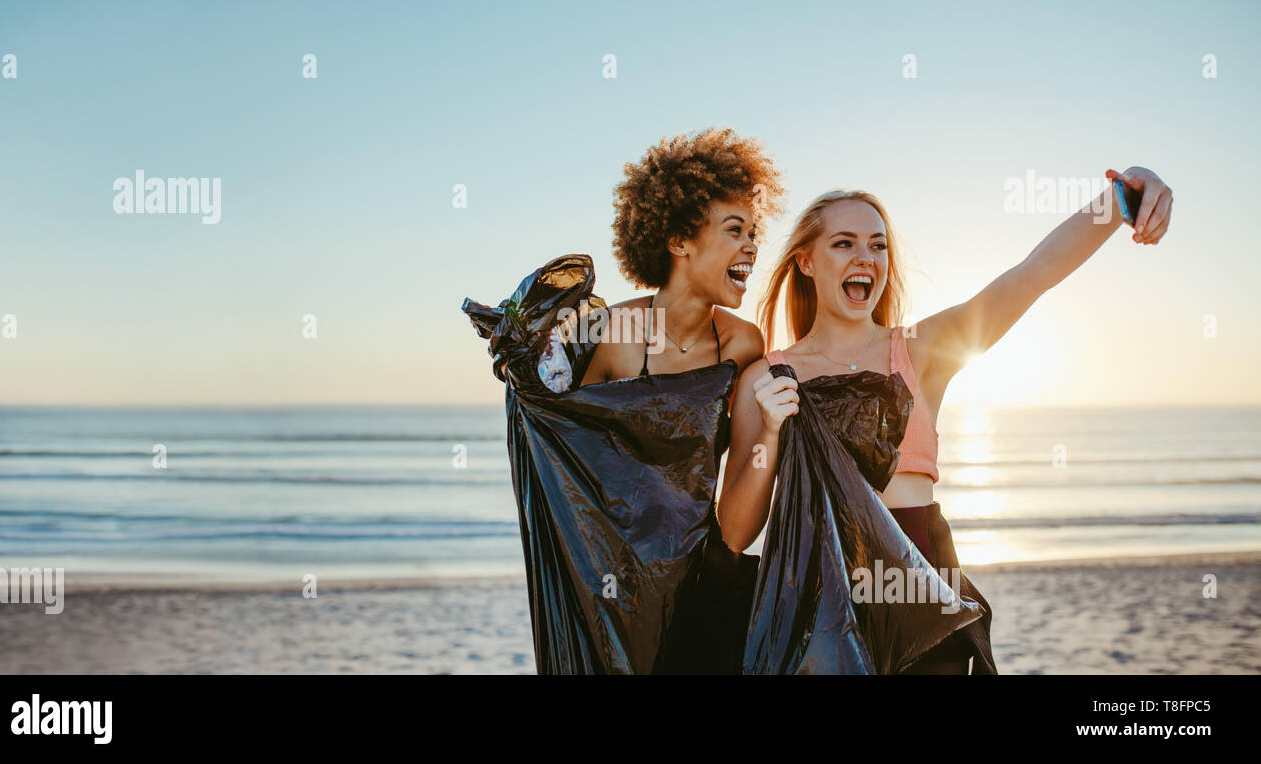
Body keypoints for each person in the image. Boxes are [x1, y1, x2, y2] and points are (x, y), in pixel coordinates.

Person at [719, 168, 1173, 673]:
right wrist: (770, 432)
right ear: (805, 260)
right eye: (844, 244)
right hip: (818, 597)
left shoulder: (919, 351)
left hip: (922, 581)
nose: (865, 258)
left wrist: (1116, 202)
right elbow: (736, 534)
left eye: (878, 245)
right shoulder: (767, 374)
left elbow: (1032, 273)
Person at [464, 127, 785, 673]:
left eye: (754, 232)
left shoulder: (742, 343)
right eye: (736, 231)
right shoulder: (617, 334)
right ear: (680, 241)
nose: (752, 246)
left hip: (702, 572)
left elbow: (743, 469)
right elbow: (578, 454)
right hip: (621, 579)